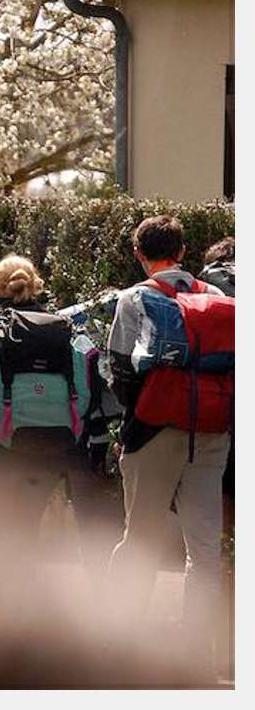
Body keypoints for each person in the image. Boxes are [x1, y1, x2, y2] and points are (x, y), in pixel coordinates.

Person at [0, 256, 117, 582]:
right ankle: (23, 607)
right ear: (35, 285)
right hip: (48, 449)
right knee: (26, 532)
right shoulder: (58, 328)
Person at [106, 215, 231, 661]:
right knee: (203, 544)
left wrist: (135, 416)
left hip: (155, 428)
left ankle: (123, 639)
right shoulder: (215, 296)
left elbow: (119, 368)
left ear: (141, 256)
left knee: (139, 534)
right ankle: (197, 648)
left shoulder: (135, 297)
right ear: (183, 252)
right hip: (212, 426)